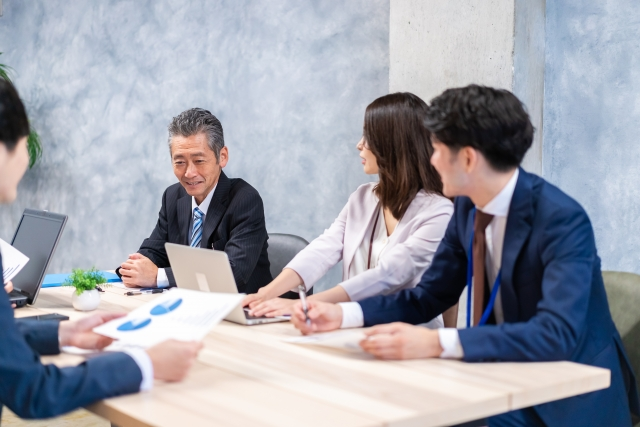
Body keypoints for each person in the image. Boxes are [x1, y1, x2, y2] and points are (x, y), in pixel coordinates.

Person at [290, 85, 639, 426]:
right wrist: (343, 314)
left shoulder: (561, 219)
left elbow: (555, 334)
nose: (430, 160)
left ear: (468, 158)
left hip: (568, 394)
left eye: (437, 150)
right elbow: (429, 296)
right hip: (497, 379)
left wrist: (434, 342)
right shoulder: (466, 209)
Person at [0, 80, 202, 419]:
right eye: (24, 143)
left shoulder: (242, 198)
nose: (26, 156)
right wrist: (142, 362)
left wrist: (63, 332)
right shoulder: (173, 198)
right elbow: (34, 391)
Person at [244, 93, 454, 328]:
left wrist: (306, 305)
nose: (359, 144)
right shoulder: (363, 197)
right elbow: (323, 249)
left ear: (393, 144)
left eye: (369, 136)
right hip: (350, 327)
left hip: (409, 334)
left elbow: (390, 274)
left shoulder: (439, 212)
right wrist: (266, 294)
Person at [117, 108, 272, 294]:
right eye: (180, 162)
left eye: (199, 161)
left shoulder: (245, 200)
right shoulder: (173, 196)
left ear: (222, 157)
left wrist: (158, 276)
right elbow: (155, 250)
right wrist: (136, 267)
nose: (189, 173)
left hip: (242, 306)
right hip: (187, 304)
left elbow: (231, 275)